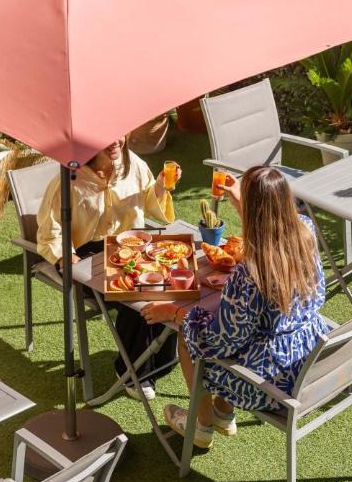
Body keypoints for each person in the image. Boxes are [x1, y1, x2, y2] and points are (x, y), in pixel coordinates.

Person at [141, 165, 330, 449]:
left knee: (189, 335)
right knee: (241, 328)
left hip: (272, 384)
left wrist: (175, 314)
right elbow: (269, 231)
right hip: (307, 358)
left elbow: (220, 341)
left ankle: (201, 425)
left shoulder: (252, 273)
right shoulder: (305, 229)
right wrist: (243, 201)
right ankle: (222, 413)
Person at [36, 137, 181, 400]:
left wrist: (160, 185)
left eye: (121, 132)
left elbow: (149, 201)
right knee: (136, 297)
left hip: (129, 245)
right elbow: (51, 229)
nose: (116, 140)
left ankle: (158, 361)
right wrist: (65, 257)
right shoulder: (67, 179)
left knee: (166, 282)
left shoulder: (133, 164)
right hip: (85, 254)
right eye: (107, 135)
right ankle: (130, 372)